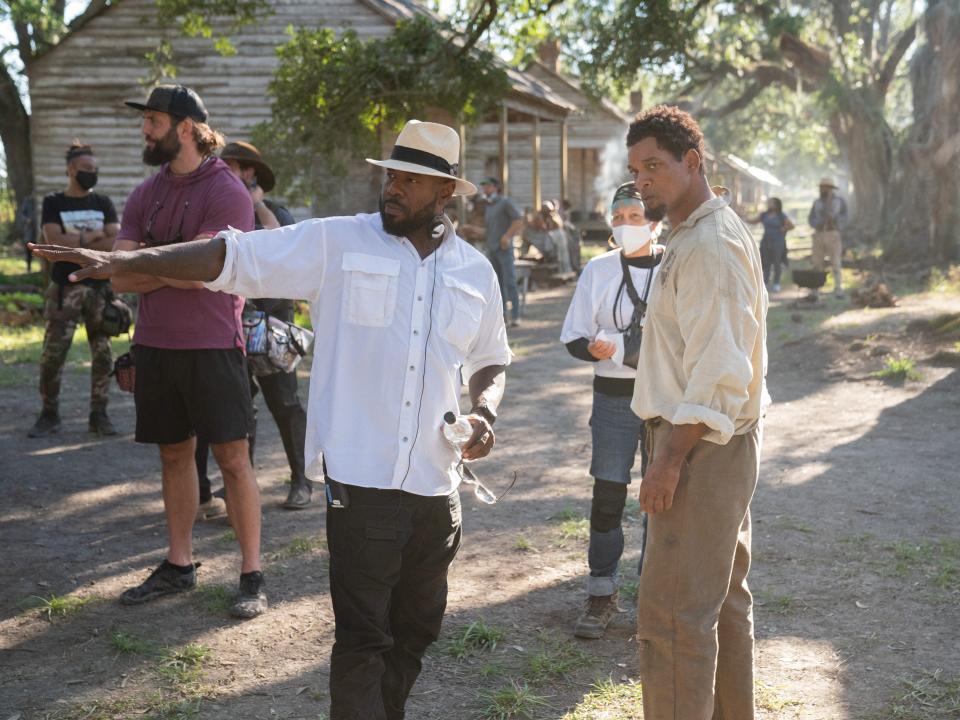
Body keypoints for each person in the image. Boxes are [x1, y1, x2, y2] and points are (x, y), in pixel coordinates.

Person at [32, 119, 511, 720]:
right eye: (390, 174)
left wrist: (486, 411)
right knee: (364, 639)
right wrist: (121, 259)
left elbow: (491, 358)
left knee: (417, 631)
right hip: (360, 483)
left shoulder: (475, 271)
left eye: (410, 181)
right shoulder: (339, 243)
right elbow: (231, 255)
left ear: (445, 193)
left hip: (438, 486)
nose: (392, 188)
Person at [626, 105, 768, 720]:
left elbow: (718, 369)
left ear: (693, 162)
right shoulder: (694, 233)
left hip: (698, 448)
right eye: (635, 171)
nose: (643, 181)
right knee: (718, 604)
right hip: (713, 443)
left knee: (675, 615)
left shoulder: (709, 244)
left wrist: (669, 460)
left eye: (654, 166)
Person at [111, 85, 265, 618]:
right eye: (145, 120)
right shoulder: (143, 194)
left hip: (214, 346)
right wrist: (164, 271)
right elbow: (118, 277)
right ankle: (179, 565)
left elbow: (206, 276)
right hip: (154, 345)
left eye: (152, 120)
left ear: (184, 127)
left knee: (232, 459)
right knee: (173, 453)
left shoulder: (226, 192)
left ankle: (251, 574)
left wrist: (148, 269)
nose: (144, 130)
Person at [560, 181, 664, 639]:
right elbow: (574, 337)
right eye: (617, 217)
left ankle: (657, 596)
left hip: (667, 399)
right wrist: (598, 349)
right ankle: (601, 593)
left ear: (655, 222)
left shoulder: (677, 265)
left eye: (634, 216)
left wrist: (625, 345)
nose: (624, 224)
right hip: (614, 400)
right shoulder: (598, 270)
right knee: (608, 497)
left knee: (663, 501)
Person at [193, 141, 311, 516]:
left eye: (236, 167)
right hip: (230, 327)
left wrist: (256, 204)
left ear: (251, 173)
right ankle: (243, 491)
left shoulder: (275, 212)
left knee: (286, 405)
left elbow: (288, 252)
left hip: (273, 326)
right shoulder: (219, 211)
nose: (228, 172)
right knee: (239, 412)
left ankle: (302, 480)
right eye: (223, 165)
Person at [28, 142, 120, 439]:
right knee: (53, 355)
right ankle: (49, 414)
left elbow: (114, 242)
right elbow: (52, 241)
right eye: (86, 169)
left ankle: (99, 414)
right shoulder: (55, 201)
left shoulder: (103, 202)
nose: (92, 174)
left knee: (104, 354)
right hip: (63, 290)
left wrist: (75, 242)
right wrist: (91, 236)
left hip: (100, 289)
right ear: (71, 170)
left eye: (95, 169)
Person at [480, 177, 525, 326]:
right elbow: (490, 229)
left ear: (494, 187)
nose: (484, 189)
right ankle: (503, 317)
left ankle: (516, 316)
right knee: (497, 285)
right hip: (492, 249)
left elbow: (518, 220)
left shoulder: (505, 202)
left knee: (510, 282)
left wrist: (507, 236)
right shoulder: (489, 206)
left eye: (486, 186)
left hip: (504, 249)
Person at [808, 177, 848, 298]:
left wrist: (835, 222)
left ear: (830, 188)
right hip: (819, 234)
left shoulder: (839, 201)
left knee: (835, 261)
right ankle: (815, 289)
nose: (822, 189)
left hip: (833, 233)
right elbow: (811, 217)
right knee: (817, 262)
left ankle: (838, 288)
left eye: (825, 187)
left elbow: (845, 216)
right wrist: (817, 224)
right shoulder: (817, 202)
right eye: (821, 187)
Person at [746, 197, 794, 292]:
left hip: (778, 241)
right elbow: (753, 221)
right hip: (766, 241)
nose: (769, 204)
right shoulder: (764, 215)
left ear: (776, 204)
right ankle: (765, 282)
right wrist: (743, 218)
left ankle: (776, 283)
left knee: (777, 262)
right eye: (769, 203)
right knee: (766, 262)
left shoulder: (781, 216)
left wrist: (784, 229)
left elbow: (791, 226)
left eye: (771, 203)